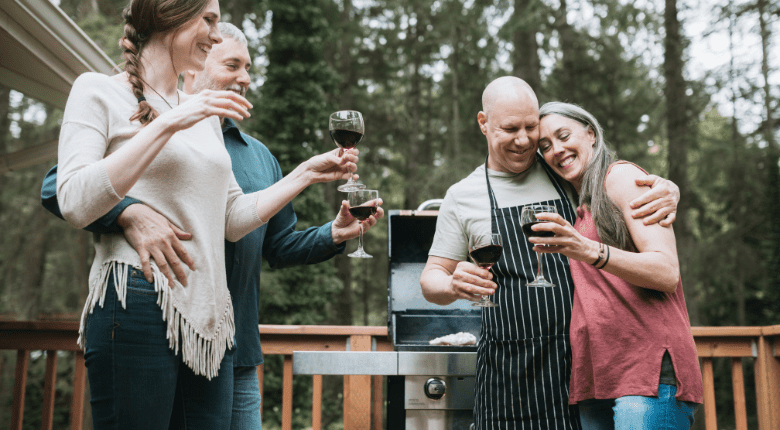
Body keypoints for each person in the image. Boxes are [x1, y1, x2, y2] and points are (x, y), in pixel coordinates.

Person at [53, 0, 361, 428]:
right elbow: (71, 198)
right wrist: (168, 122)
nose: (216, 34)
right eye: (209, 20)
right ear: (169, 15)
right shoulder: (97, 90)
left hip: (211, 318)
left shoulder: (204, 117)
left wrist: (305, 173)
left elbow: (232, 217)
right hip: (138, 299)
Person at [419, 76, 680, 430]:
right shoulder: (462, 195)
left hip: (579, 368)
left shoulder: (565, 170)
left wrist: (668, 188)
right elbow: (431, 278)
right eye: (510, 129)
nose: (525, 141)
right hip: (507, 369)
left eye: (531, 128)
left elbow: (621, 190)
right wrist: (451, 285)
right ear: (484, 124)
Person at [527, 102, 702, 429]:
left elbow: (666, 272)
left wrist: (590, 250)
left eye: (564, 136)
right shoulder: (577, 206)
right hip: (598, 375)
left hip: (648, 371)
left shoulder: (620, 177)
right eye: (545, 146)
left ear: (591, 134)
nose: (557, 150)